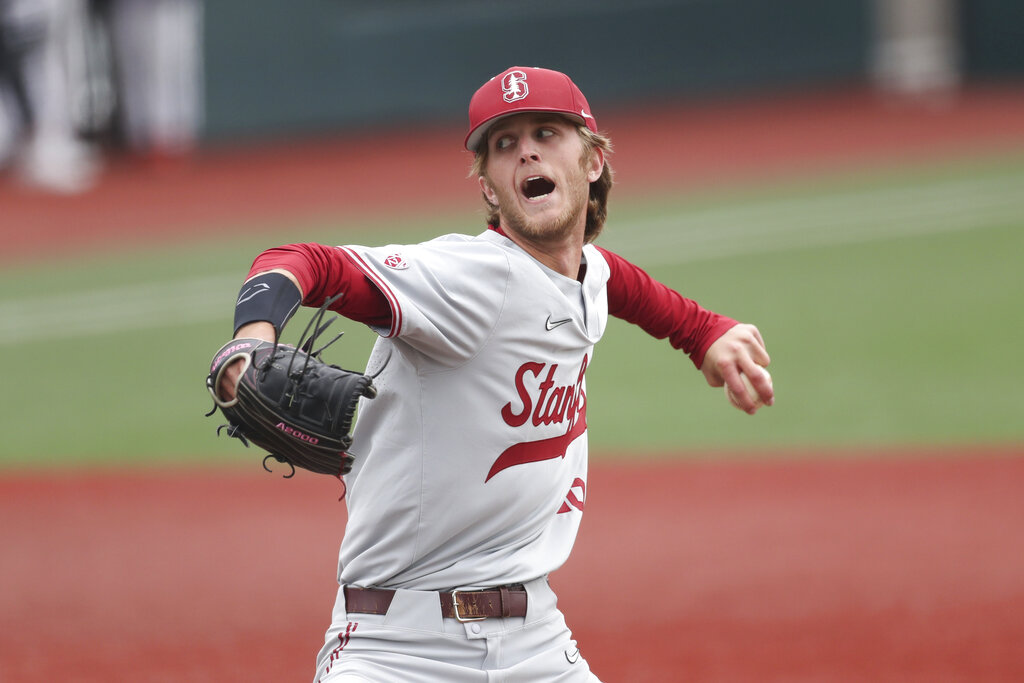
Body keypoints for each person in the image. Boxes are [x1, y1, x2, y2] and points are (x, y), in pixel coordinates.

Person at [214, 66, 773, 682]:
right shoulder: (470, 278)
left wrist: (702, 333)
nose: (526, 149)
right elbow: (303, 262)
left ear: (592, 162)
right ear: (488, 188)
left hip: (536, 642)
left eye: (547, 132)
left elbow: (616, 283)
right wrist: (250, 342)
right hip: (397, 651)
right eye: (503, 144)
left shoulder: (582, 274)